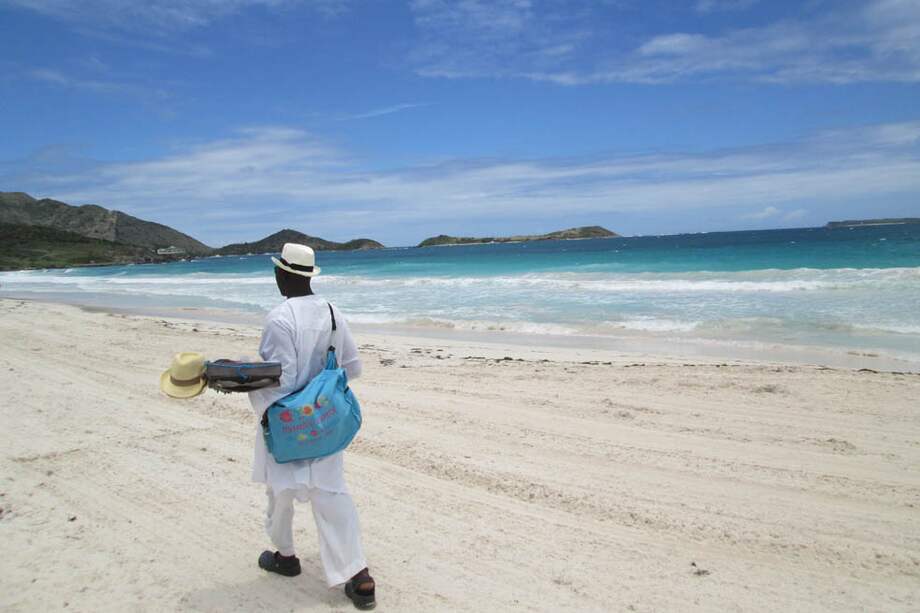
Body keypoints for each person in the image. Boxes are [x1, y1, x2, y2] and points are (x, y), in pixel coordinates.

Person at [248, 242, 376, 610]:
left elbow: (282, 381)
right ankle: (359, 577)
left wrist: (242, 383)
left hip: (289, 425)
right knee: (333, 494)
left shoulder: (279, 318)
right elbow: (352, 367)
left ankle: (285, 557)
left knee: (280, 493)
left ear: (282, 273)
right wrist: (321, 394)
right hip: (324, 423)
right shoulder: (333, 312)